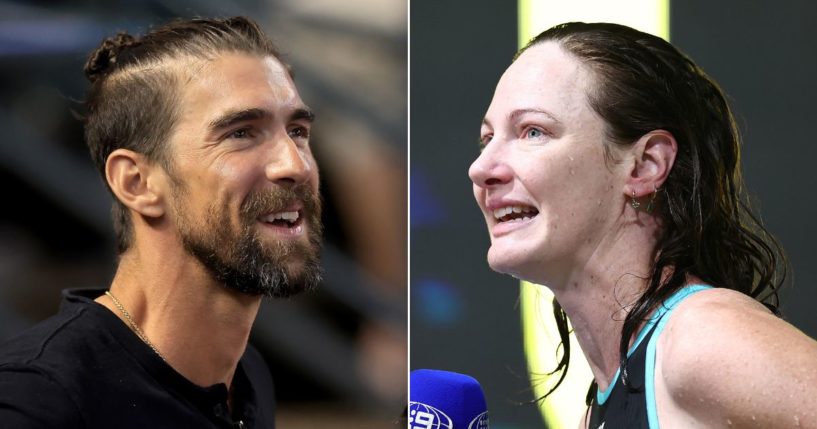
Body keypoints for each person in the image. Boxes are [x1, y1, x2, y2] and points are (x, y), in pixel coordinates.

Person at [468, 22, 817, 428]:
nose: (481, 168)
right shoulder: (599, 408)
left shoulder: (701, 337)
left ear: (645, 165)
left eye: (532, 131)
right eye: (487, 138)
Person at [0, 16, 322, 428]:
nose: (294, 164)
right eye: (241, 133)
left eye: (297, 130)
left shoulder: (248, 375)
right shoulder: (36, 401)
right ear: (137, 183)